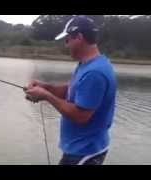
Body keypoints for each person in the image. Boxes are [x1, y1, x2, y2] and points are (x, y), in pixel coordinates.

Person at [24, 15, 117, 165]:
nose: (66, 44)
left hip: (85, 153)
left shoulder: (94, 73)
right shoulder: (87, 65)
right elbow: (72, 91)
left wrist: (46, 96)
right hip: (80, 149)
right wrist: (46, 87)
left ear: (79, 37)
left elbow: (81, 116)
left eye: (67, 40)